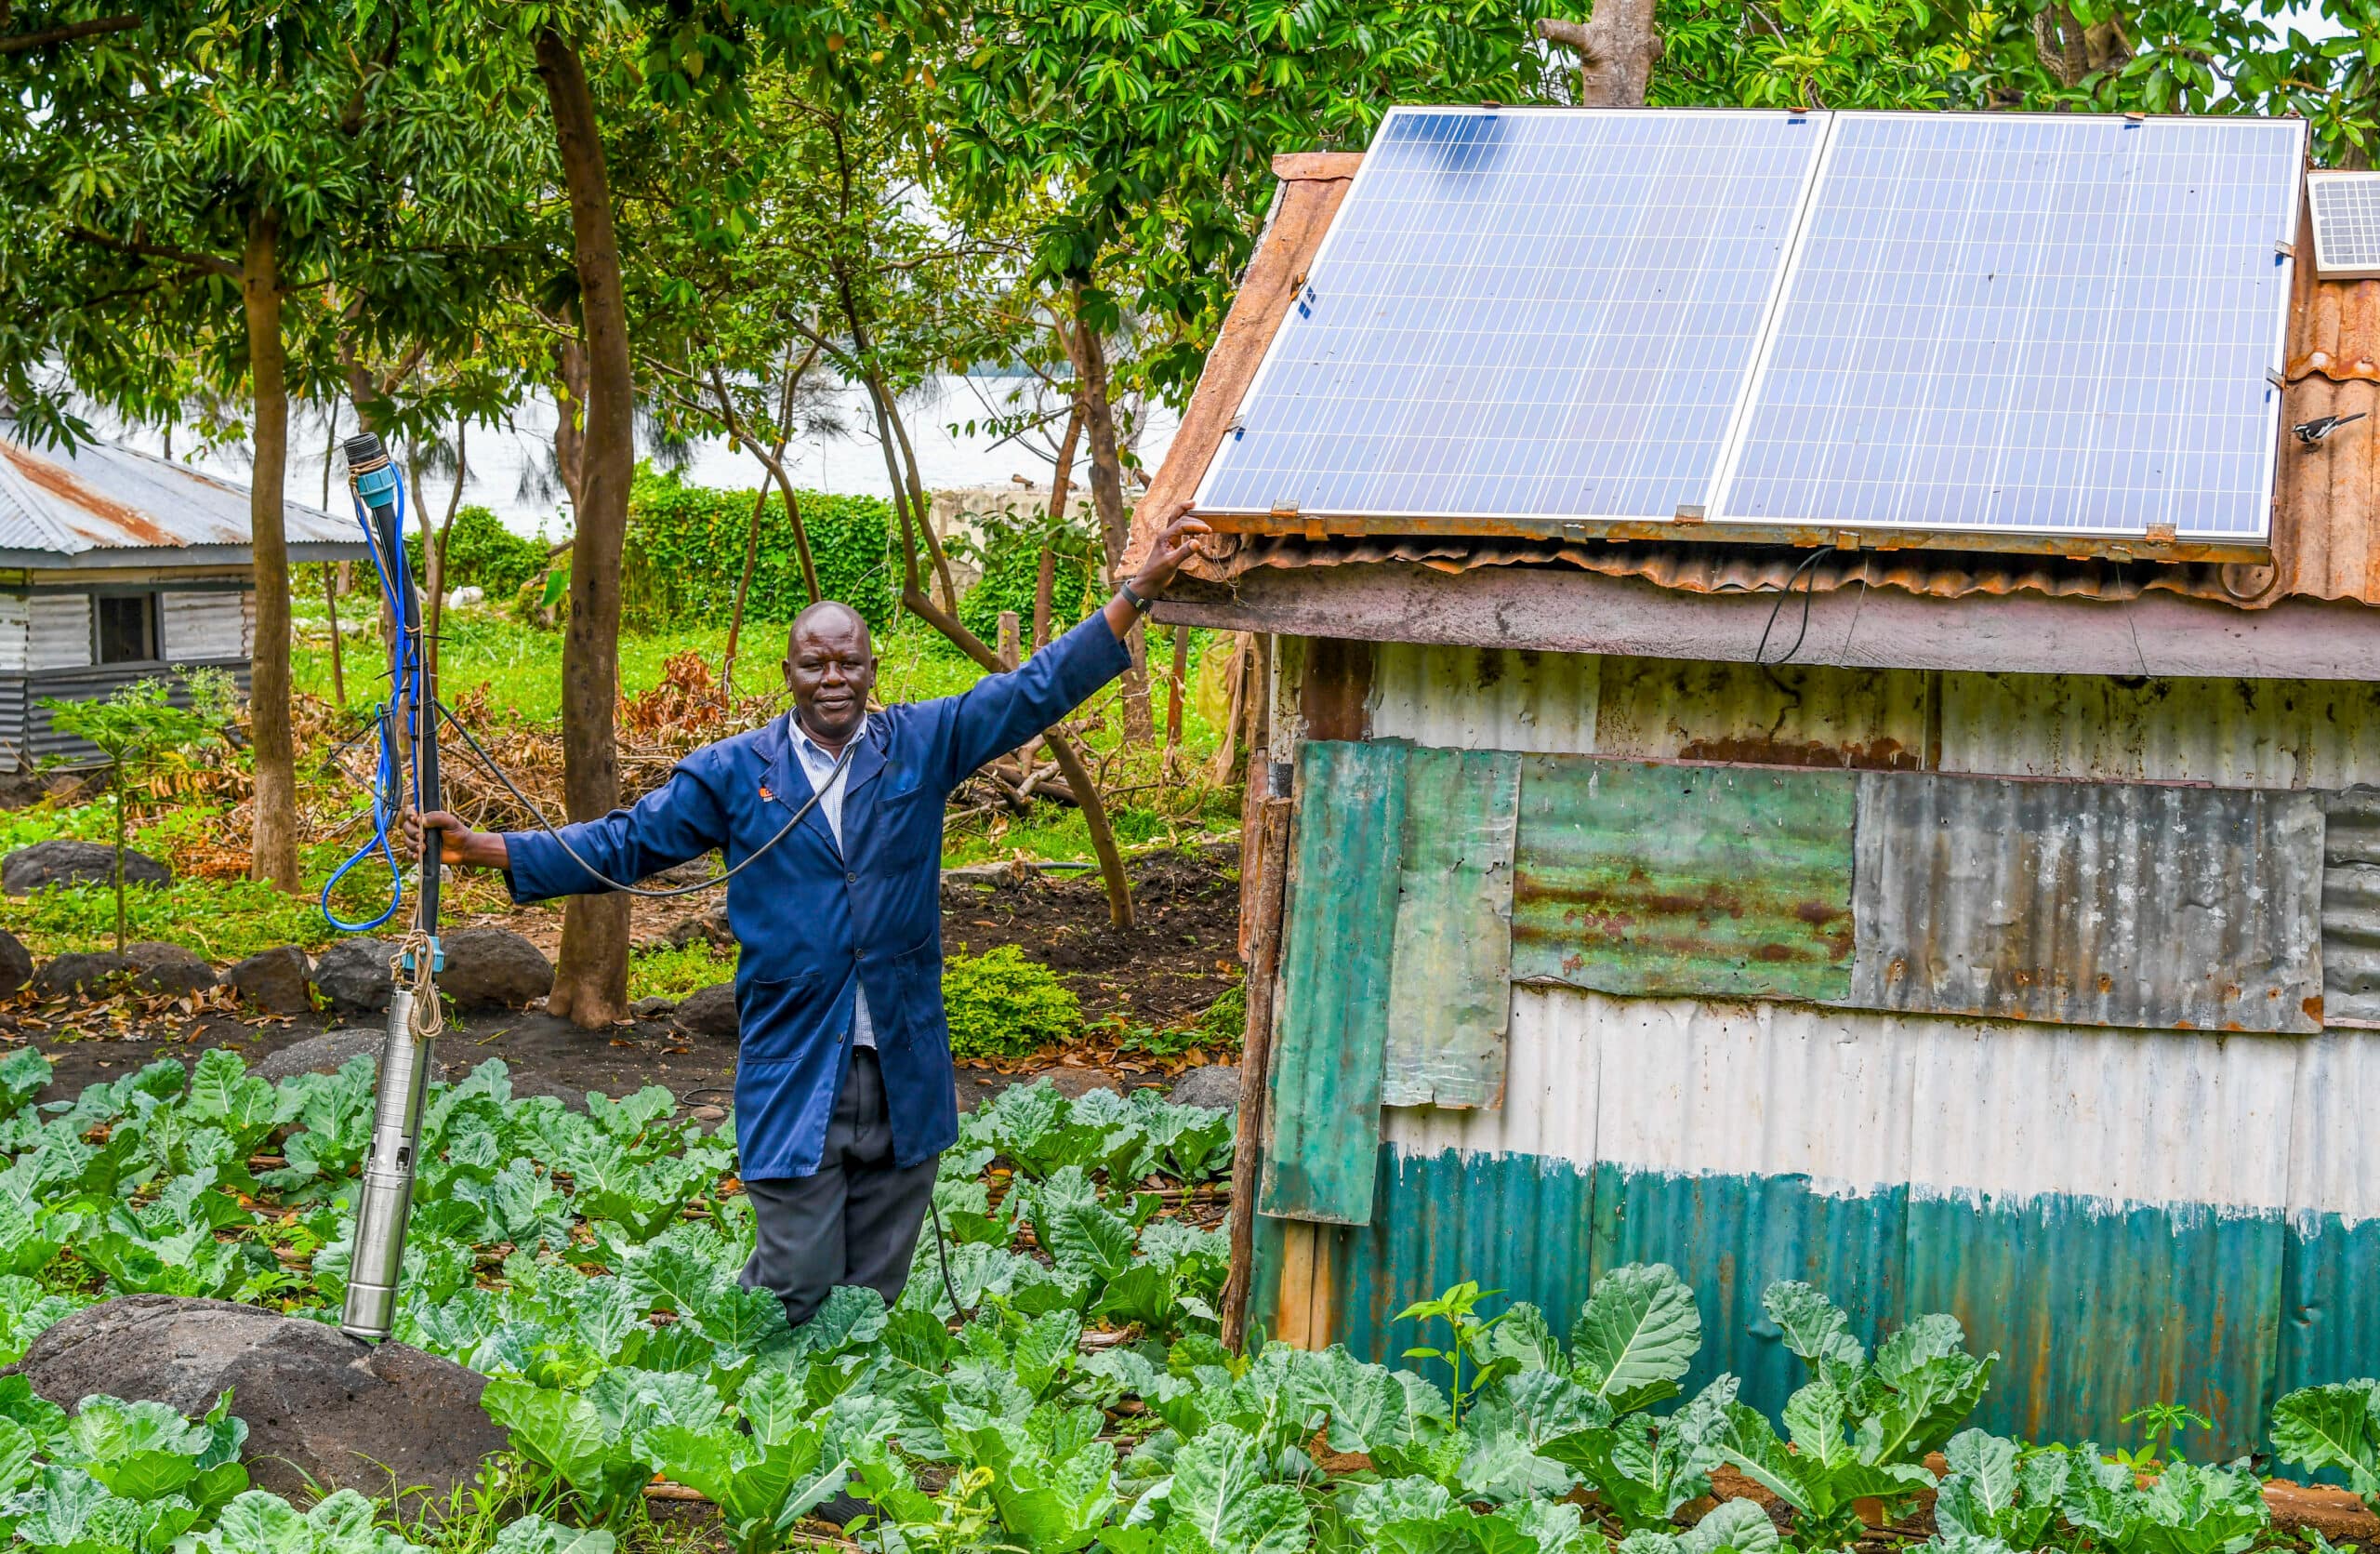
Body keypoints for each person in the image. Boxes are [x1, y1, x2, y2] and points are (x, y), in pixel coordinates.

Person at [406, 507, 1211, 1328]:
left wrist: (1137, 590)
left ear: (872, 669)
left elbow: (1032, 690)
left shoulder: (919, 743)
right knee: (795, 1275)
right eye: (815, 663)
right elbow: (627, 842)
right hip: (797, 1055)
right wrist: (488, 847)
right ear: (788, 672)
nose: (834, 678)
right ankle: (735, 1380)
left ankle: (849, 1423)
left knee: (872, 1290)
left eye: (849, 662)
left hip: (899, 1050)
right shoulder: (732, 772)